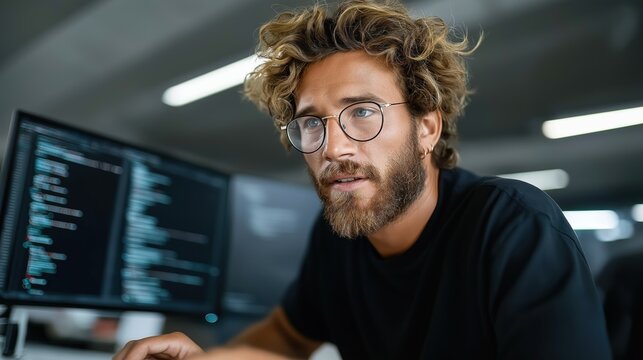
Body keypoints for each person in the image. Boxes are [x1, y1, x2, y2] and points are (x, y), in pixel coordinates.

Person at [114, 0, 611, 359]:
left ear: (426, 127)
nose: (333, 147)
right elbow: (286, 339)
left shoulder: (512, 226)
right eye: (313, 122)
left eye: (363, 112)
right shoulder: (341, 233)